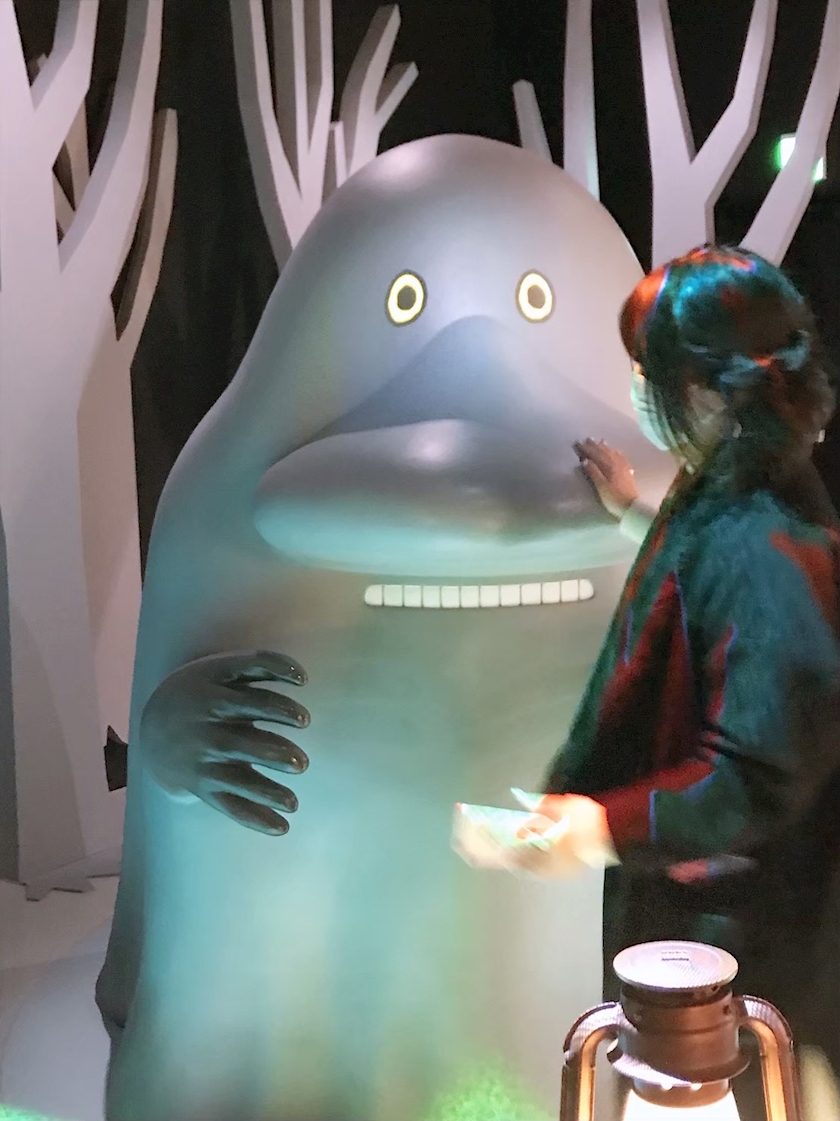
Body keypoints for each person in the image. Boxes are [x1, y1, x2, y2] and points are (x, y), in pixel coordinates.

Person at [455, 245, 840, 1117]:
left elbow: (758, 771)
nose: (634, 385)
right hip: (711, 934)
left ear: (705, 390)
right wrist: (632, 510)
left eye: (646, 369)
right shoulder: (737, 486)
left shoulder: (764, 539)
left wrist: (599, 826)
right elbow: (703, 586)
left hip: (736, 958)